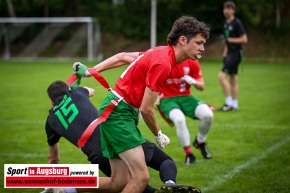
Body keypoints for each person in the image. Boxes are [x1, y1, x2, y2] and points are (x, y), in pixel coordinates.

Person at [77, 16, 210, 193]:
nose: (202, 48)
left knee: (119, 182)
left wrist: (91, 71)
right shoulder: (164, 62)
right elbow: (147, 109)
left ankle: (66, 189)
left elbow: (123, 57)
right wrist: (158, 134)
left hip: (117, 110)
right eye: (199, 43)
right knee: (141, 178)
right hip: (119, 114)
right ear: (183, 40)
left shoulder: (161, 52)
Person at [44, 80, 186, 193]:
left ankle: (68, 188)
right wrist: (77, 88)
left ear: (51, 101)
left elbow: (54, 158)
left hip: (95, 150)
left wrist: (50, 181)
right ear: (68, 90)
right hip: (112, 130)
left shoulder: (50, 121)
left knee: (125, 183)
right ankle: (169, 183)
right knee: (163, 161)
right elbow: (91, 91)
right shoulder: (77, 93)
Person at [157, 59, 214, 165]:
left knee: (208, 115)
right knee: (179, 119)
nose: (201, 48)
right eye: (198, 43)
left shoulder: (191, 61)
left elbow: (201, 86)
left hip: (186, 97)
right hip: (167, 99)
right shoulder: (163, 59)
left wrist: (194, 82)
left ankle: (200, 141)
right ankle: (189, 154)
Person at [217, 1, 248, 111]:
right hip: (230, 53)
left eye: (229, 9)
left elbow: (244, 39)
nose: (226, 10)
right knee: (233, 79)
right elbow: (227, 41)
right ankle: (235, 104)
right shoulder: (226, 23)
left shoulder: (237, 23)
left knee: (221, 76)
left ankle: (228, 103)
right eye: (225, 8)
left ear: (233, 11)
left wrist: (229, 40)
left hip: (236, 53)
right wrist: (225, 52)